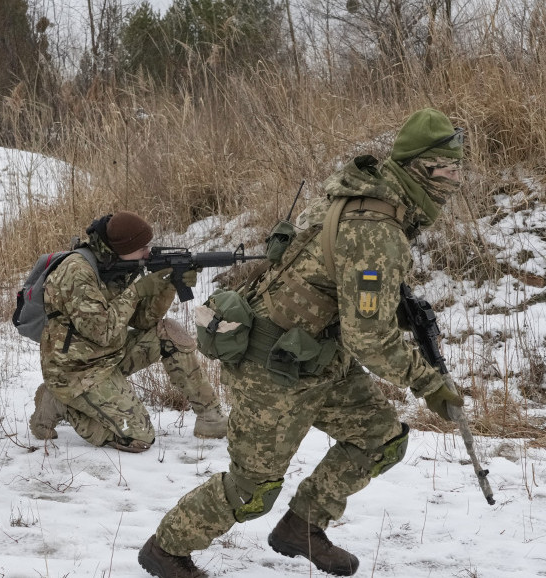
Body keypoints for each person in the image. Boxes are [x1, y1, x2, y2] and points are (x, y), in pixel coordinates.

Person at [138, 108, 466, 578]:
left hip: (319, 358)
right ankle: (166, 549)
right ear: (417, 169)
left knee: (380, 439)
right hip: (272, 366)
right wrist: (429, 383)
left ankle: (303, 526)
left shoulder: (358, 197)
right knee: (253, 488)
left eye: (458, 167)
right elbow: (369, 338)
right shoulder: (376, 231)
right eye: (444, 169)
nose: (454, 179)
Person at [32, 211, 228, 452]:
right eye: (141, 246)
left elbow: (143, 321)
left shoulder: (116, 263)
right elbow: (102, 331)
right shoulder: (76, 271)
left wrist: (169, 286)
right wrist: (137, 291)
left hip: (108, 355)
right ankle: (60, 402)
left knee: (168, 332)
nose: (147, 251)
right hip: (75, 371)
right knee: (139, 437)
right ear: (122, 247)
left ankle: (211, 418)